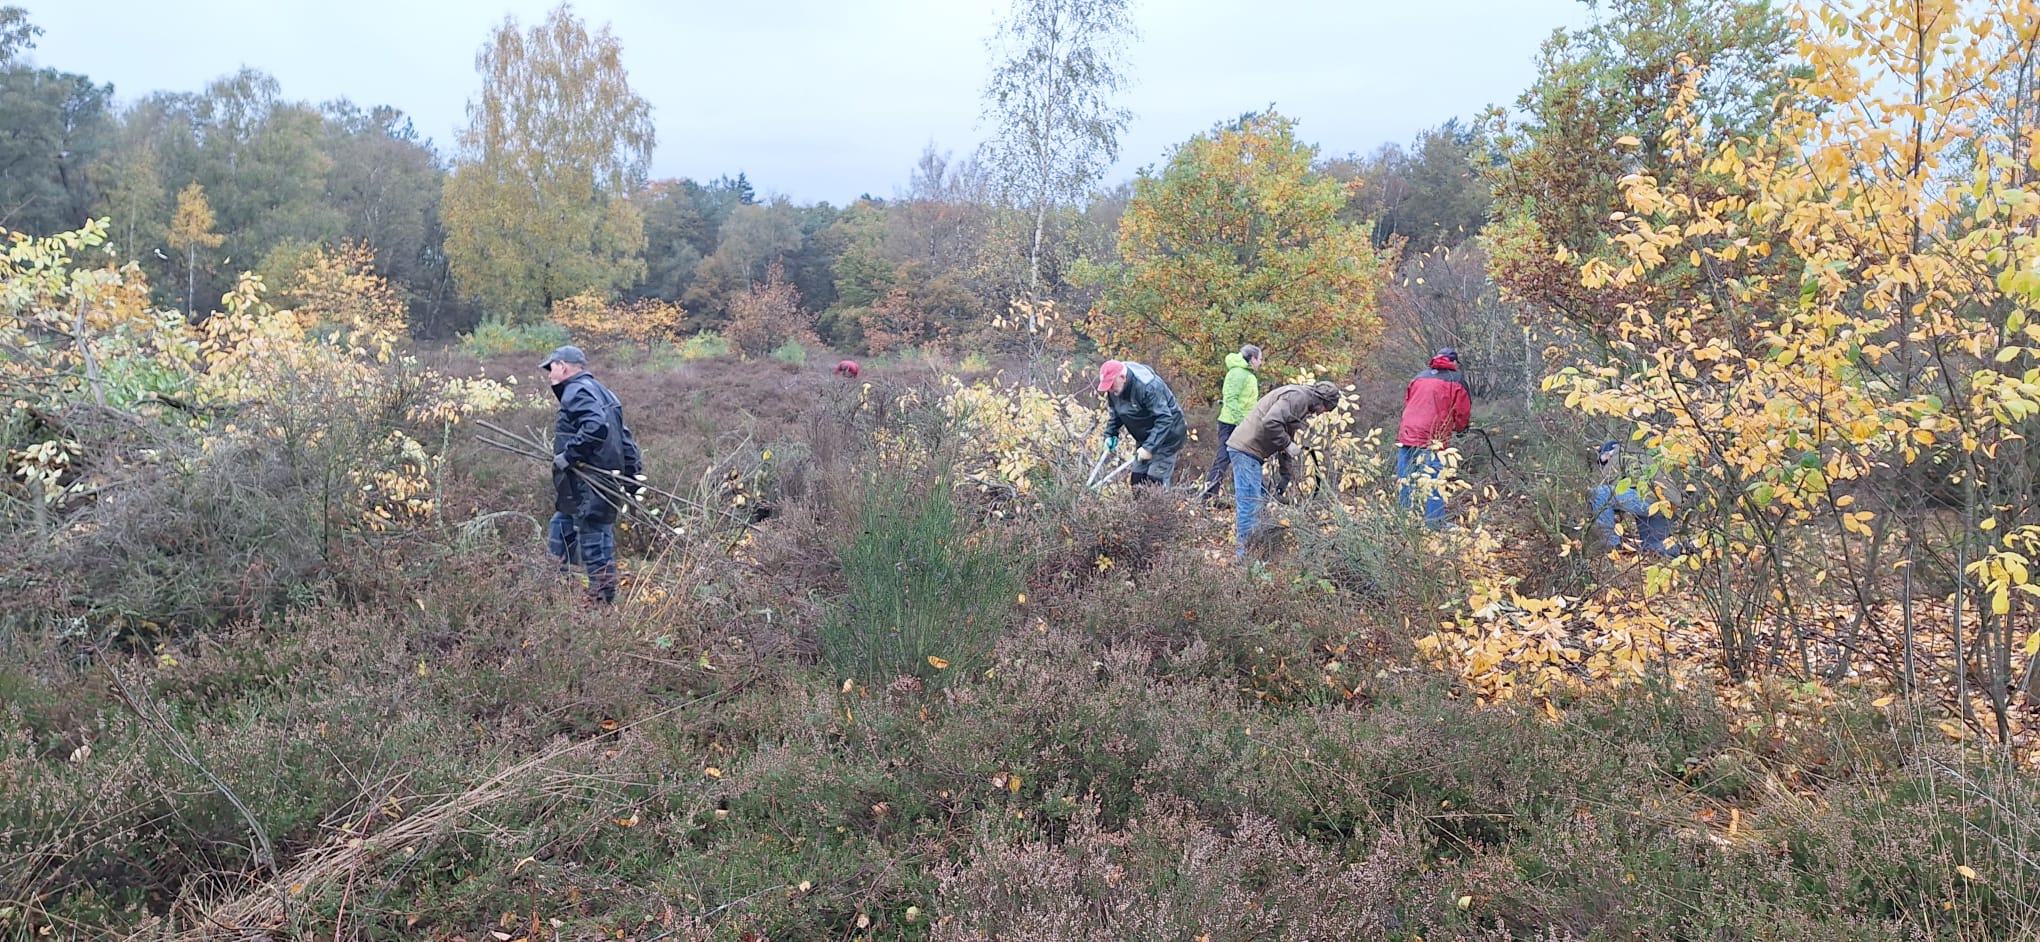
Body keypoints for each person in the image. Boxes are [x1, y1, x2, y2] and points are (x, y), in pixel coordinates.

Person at [542, 345, 642, 604]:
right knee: (561, 528)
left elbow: (597, 426)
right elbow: (624, 437)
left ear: (562, 366)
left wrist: (569, 455)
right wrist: (630, 475)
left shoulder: (576, 391)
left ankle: (603, 606)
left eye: (550, 367)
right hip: (587, 485)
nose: (548, 374)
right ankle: (557, 594)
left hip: (590, 484)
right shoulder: (603, 391)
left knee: (595, 541)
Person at [1226, 382, 1343, 558]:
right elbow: (1271, 422)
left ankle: (1260, 551)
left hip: (1250, 452)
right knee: (1250, 505)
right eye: (1325, 408)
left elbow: (1285, 436)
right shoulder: (1298, 397)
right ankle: (1245, 558)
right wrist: (1288, 444)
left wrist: (1285, 475)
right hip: (1246, 450)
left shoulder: (1302, 402)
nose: (1321, 413)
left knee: (1261, 503)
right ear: (1321, 400)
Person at [1395, 347, 1471, 529]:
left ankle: (1405, 522)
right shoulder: (1457, 380)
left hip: (1407, 432)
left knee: (1406, 478)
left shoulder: (1419, 377)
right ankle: (1435, 524)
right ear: (1453, 362)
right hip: (1433, 437)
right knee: (1434, 479)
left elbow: (1409, 402)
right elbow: (1462, 412)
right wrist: (1462, 429)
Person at [1097, 359, 1187, 491]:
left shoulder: (1148, 386)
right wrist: (1110, 434)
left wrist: (1149, 448)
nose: (1109, 390)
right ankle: (1139, 511)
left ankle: (1162, 511)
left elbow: (1164, 418)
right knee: (1137, 480)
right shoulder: (1114, 389)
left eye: (1111, 385)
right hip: (1145, 436)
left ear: (1122, 378)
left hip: (1168, 436)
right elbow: (1116, 412)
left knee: (1155, 481)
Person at [1591, 440, 1687, 557]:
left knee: (1598, 493)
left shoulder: (1617, 457)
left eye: (1601, 462)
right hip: (1670, 507)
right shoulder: (1644, 456)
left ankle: (1610, 545)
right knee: (1652, 547)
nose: (1601, 466)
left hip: (1651, 501)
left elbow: (1609, 497)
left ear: (1606, 454)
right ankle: (1688, 548)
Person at [1199, 344, 1263, 502]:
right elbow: (1231, 399)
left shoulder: (1244, 373)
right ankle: (1208, 497)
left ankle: (1258, 496)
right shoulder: (1238, 373)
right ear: (1252, 358)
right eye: (1260, 359)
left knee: (1247, 458)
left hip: (1238, 423)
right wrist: (1242, 422)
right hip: (1232, 424)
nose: (1261, 363)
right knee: (1224, 459)